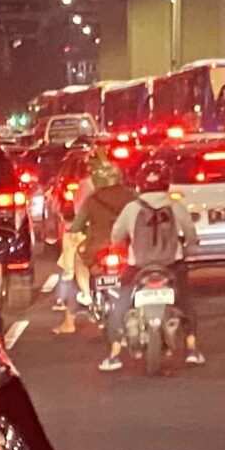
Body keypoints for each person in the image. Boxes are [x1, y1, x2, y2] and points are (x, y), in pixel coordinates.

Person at [101, 158, 202, 371]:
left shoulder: (131, 208)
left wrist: (118, 244)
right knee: (185, 303)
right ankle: (193, 349)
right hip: (171, 265)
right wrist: (190, 244)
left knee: (120, 306)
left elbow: (116, 235)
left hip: (138, 267)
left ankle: (114, 354)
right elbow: (191, 235)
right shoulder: (175, 206)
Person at [59, 156, 132, 337]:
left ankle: (86, 294)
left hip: (98, 248)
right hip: (127, 246)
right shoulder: (132, 196)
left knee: (78, 259)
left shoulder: (92, 201)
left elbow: (76, 227)